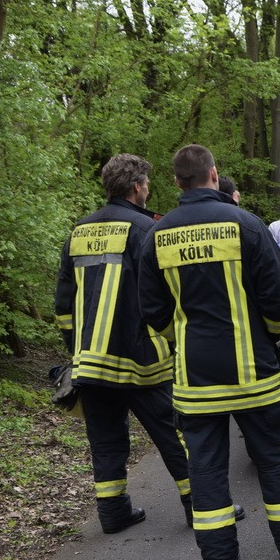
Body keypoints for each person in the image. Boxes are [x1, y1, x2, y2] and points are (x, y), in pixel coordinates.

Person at [137, 145, 280, 560]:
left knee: (204, 465)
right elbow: (277, 300)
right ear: (214, 175)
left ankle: (219, 557)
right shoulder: (247, 225)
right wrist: (270, 338)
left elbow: (153, 310)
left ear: (176, 182)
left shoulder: (158, 235)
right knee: (275, 455)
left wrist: (180, 339)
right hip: (253, 372)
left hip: (195, 378)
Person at [54, 153, 206, 535]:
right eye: (148, 184)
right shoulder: (147, 230)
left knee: (105, 440)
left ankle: (114, 512)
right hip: (142, 357)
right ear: (138, 188)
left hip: (90, 360)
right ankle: (200, 508)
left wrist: (77, 348)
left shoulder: (78, 232)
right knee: (174, 433)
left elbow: (63, 305)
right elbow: (166, 294)